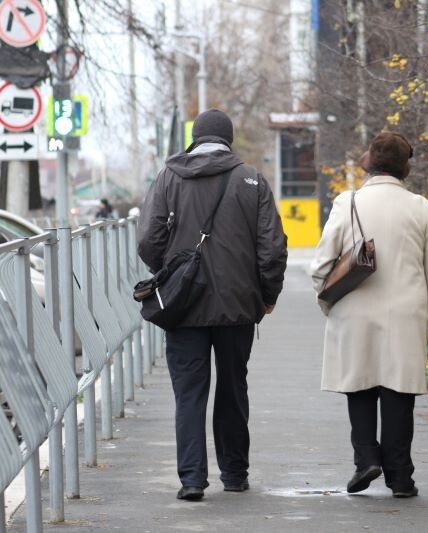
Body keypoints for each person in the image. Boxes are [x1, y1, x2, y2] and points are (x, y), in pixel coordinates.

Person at [138, 108, 288, 501]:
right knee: (233, 387)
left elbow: (148, 239)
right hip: (238, 305)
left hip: (183, 305)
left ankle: (191, 480)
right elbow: (272, 248)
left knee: (189, 393)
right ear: (229, 140)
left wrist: (170, 273)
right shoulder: (251, 179)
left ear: (194, 138)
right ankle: (235, 473)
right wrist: (267, 295)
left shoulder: (170, 176)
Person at [309, 132, 428, 498]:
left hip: (354, 309)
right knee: (399, 394)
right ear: (406, 166)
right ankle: (401, 478)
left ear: (369, 161)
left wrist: (329, 302)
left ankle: (366, 459)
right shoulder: (419, 207)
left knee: (359, 387)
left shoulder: (348, 202)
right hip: (405, 313)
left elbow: (320, 265)